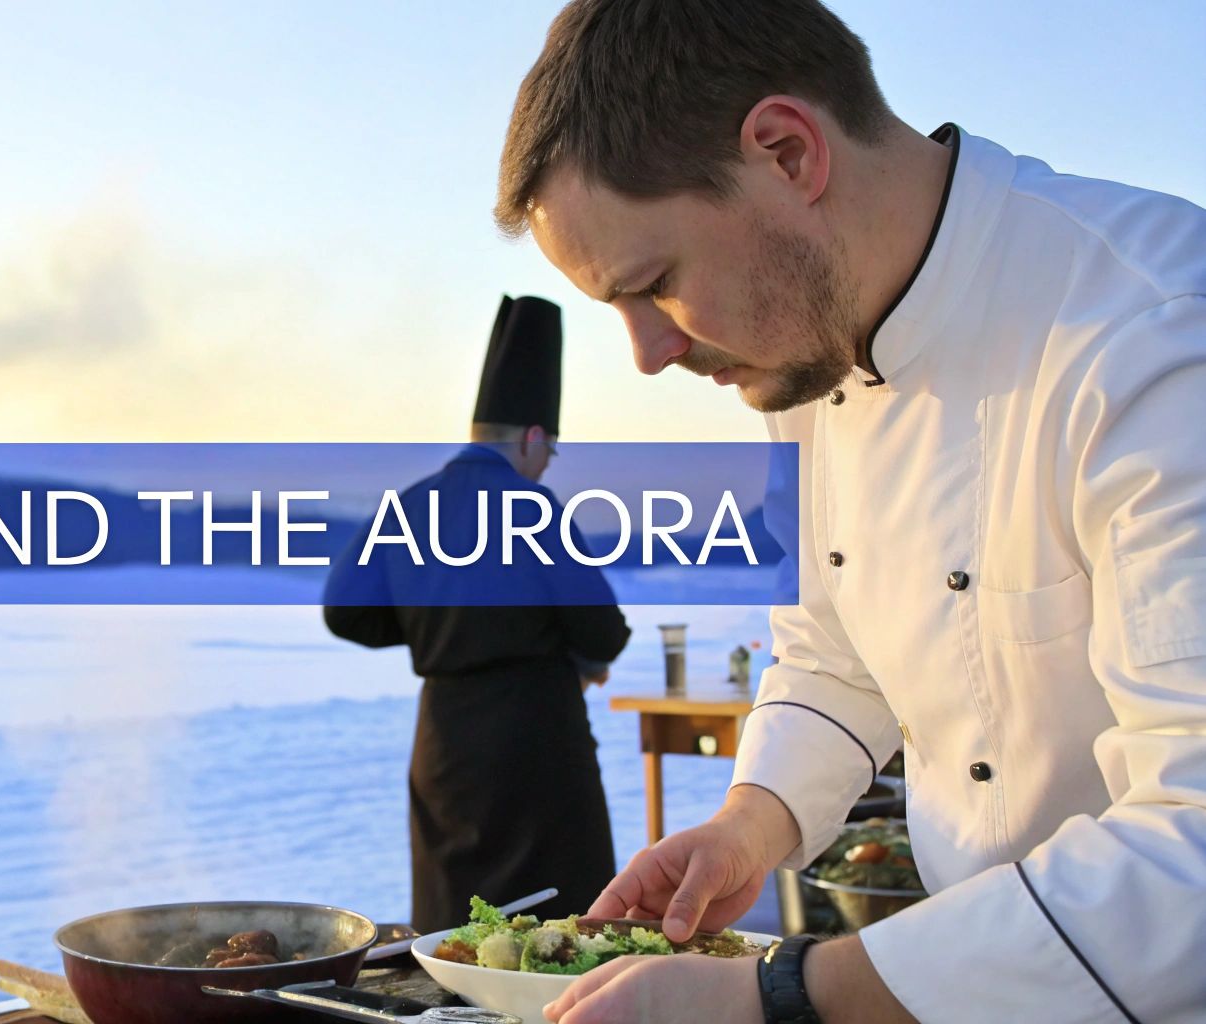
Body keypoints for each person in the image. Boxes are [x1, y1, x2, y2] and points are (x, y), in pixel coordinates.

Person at [495, 2, 1206, 1022]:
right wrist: (750, 822)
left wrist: (776, 997)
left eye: (653, 285)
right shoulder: (805, 355)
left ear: (785, 153)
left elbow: (1192, 848)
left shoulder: (1149, 335)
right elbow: (831, 650)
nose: (647, 353)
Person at [322, 295, 632, 933]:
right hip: (538, 743)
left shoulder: (408, 506)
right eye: (550, 452)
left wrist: (429, 629)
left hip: (447, 748)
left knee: (451, 929)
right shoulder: (533, 510)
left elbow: (344, 611)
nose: (546, 467)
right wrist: (584, 657)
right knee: (562, 931)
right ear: (534, 437)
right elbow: (603, 628)